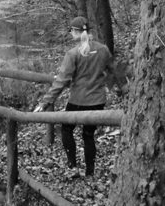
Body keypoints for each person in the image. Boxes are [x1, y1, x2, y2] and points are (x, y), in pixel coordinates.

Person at [34, 16, 118, 176]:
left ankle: (72, 166)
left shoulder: (73, 54)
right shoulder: (103, 50)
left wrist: (45, 102)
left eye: (71, 30)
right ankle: (90, 172)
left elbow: (62, 81)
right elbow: (113, 71)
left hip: (78, 100)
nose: (70, 33)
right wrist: (121, 90)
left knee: (66, 129)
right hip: (98, 100)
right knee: (88, 135)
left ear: (75, 31)